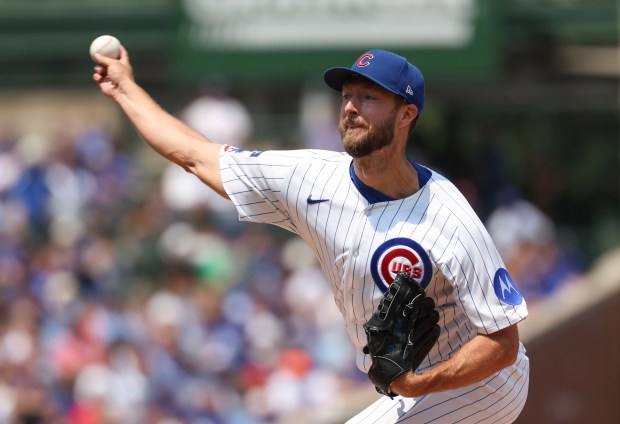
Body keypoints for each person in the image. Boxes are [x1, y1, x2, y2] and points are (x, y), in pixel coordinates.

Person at [93, 47, 530, 423]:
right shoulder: (310, 179)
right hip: (417, 387)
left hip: (483, 383)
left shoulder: (448, 214)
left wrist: (419, 383)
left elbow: (503, 344)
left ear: (406, 114)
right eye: (347, 96)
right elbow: (193, 155)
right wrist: (125, 89)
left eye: (369, 98)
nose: (350, 108)